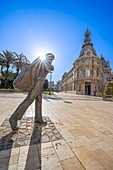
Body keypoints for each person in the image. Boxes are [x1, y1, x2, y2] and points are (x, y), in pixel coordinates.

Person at [9, 53, 54, 130]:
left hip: (40, 84)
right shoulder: (45, 63)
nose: (52, 60)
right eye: (51, 58)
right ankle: (14, 118)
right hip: (37, 83)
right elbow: (50, 68)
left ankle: (38, 118)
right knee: (29, 99)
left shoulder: (41, 62)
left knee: (39, 100)